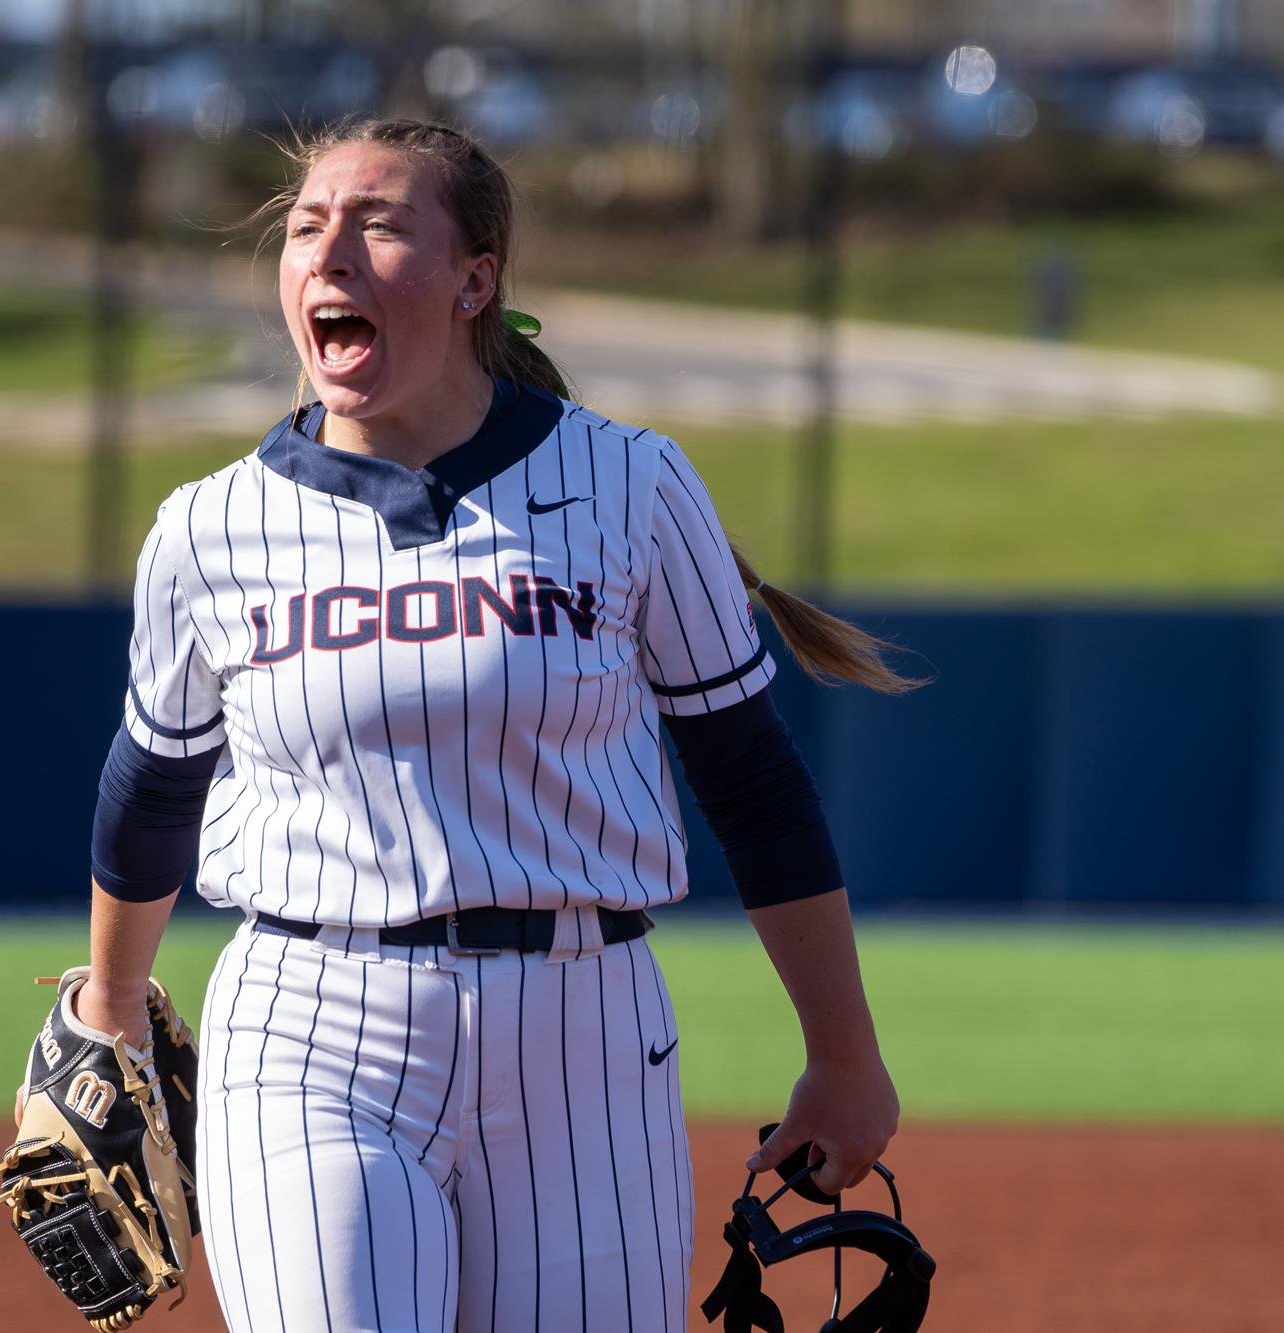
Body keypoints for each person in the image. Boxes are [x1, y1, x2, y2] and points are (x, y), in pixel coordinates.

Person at [77, 116, 910, 1333]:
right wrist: (108, 1014)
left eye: (378, 223)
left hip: (586, 1029)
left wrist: (842, 1053)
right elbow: (150, 789)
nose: (330, 252)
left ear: (476, 280)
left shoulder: (632, 483)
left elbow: (752, 784)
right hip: (311, 1020)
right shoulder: (209, 528)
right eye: (307, 227)